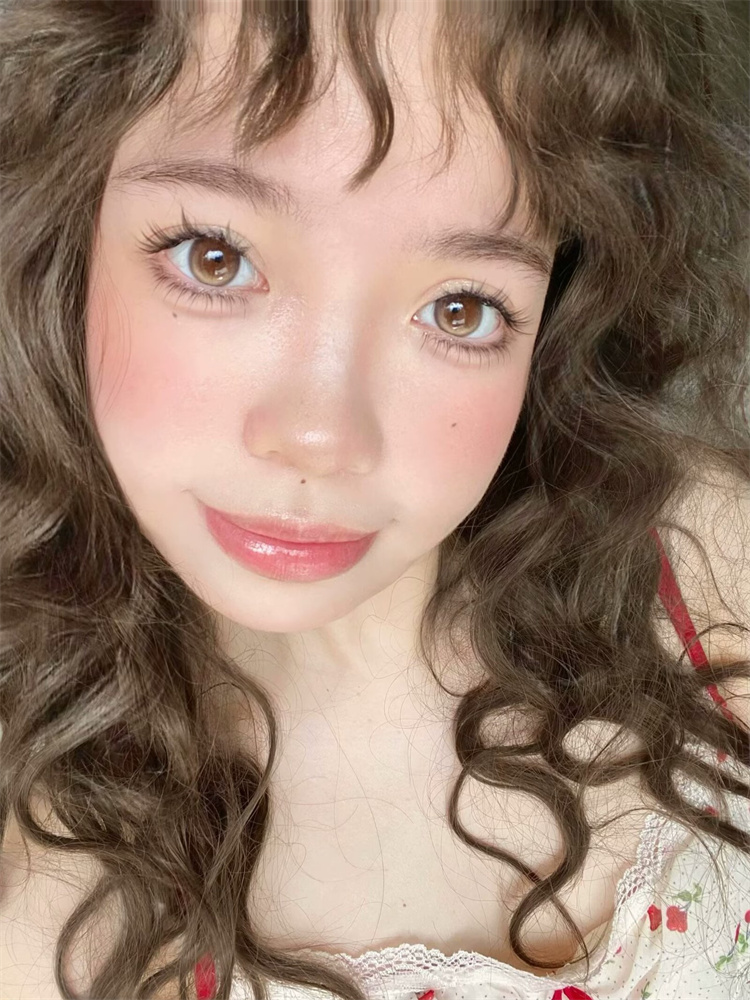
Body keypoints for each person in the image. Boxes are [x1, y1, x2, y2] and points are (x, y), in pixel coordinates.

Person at [1, 1, 748, 998]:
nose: (324, 436)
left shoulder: (708, 565)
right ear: (64, 223)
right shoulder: (35, 905)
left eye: (460, 308)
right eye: (216, 257)